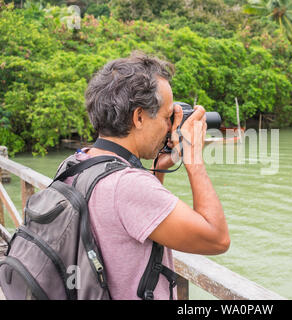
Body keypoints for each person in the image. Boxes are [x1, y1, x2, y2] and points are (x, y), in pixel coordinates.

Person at [64, 51, 230, 300]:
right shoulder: (128, 186)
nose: (168, 127)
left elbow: (133, 222)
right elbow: (217, 239)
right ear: (139, 117)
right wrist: (193, 157)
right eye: (166, 117)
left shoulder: (77, 162)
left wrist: (158, 169)